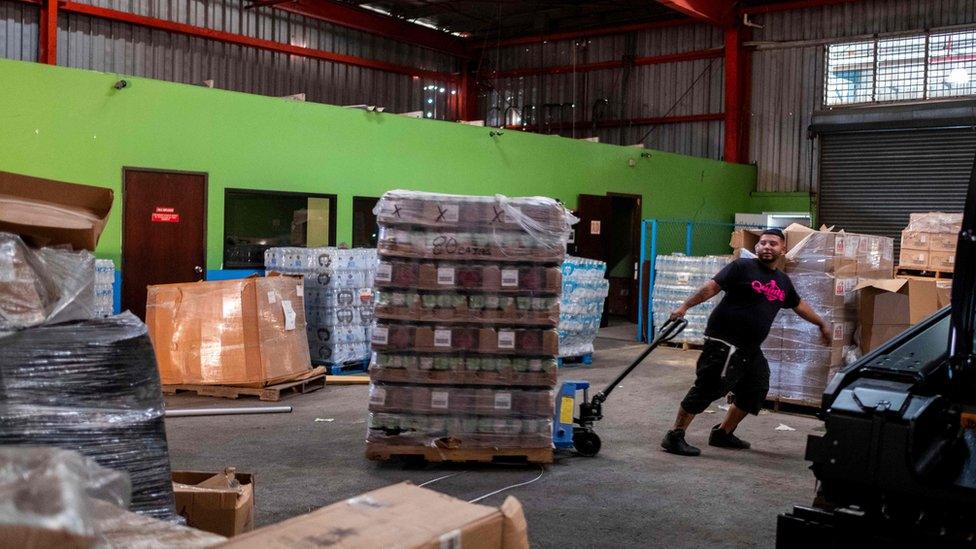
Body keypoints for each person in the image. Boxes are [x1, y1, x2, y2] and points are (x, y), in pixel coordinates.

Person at [660, 228, 831, 456]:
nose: (767, 247)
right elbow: (711, 287)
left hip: (750, 348)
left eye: (773, 243)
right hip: (724, 342)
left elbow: (798, 305)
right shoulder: (742, 267)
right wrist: (684, 306)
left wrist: (821, 323)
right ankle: (674, 435)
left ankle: (723, 433)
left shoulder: (782, 281)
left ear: (783, 249)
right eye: (763, 243)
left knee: (756, 388)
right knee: (708, 388)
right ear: (757, 248)